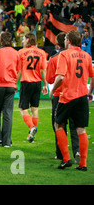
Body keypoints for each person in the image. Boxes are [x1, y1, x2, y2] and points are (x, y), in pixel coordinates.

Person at [49, 30, 94, 171]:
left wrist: (52, 90)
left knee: (58, 125)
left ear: (68, 40)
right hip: (82, 96)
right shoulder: (87, 56)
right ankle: (83, 163)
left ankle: (66, 158)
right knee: (81, 129)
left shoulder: (64, 54)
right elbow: (93, 76)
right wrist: (90, 92)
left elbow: (60, 77)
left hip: (67, 96)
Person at [46, 32, 79, 163]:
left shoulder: (55, 58)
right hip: (76, 93)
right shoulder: (81, 55)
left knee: (59, 124)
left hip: (60, 95)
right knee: (75, 126)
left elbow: (49, 79)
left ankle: (61, 154)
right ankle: (77, 151)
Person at [0, 31, 20, 147]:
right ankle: (7, 141)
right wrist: (14, 82)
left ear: (0, 40)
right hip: (10, 85)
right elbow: (18, 70)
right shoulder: (16, 53)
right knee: (8, 112)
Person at [17, 32, 48, 142]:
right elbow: (44, 69)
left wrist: (15, 82)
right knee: (34, 108)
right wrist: (45, 84)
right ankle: (32, 135)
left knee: (22, 108)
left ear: (29, 40)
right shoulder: (42, 52)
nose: (22, 41)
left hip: (26, 82)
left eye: (24, 39)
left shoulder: (21, 52)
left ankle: (32, 127)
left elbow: (19, 70)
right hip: (37, 83)